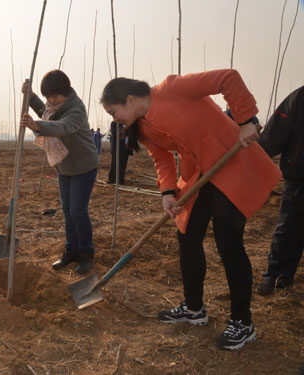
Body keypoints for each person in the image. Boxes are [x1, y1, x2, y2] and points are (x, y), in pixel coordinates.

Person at [101, 69, 281, 350]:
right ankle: (194, 308)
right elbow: (161, 158)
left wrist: (246, 120)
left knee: (228, 241)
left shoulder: (173, 88)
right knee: (187, 237)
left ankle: (242, 323)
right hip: (199, 177)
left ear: (129, 98)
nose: (114, 119)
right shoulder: (143, 127)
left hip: (229, 164)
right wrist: (167, 192)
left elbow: (228, 79)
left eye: (113, 111)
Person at [21, 70, 99, 274]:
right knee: (67, 211)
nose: (50, 101)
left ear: (65, 92)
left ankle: (86, 253)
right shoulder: (53, 106)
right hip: (64, 165)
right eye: (47, 96)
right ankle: (71, 250)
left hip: (83, 166)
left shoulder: (76, 109)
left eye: (54, 96)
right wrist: (30, 97)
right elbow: (44, 111)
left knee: (78, 211)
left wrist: (37, 126)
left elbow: (63, 126)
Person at [255, 86, 304, 295]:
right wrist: (255, 159)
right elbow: (275, 132)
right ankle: (276, 279)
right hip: (299, 178)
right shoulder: (300, 97)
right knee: (289, 230)